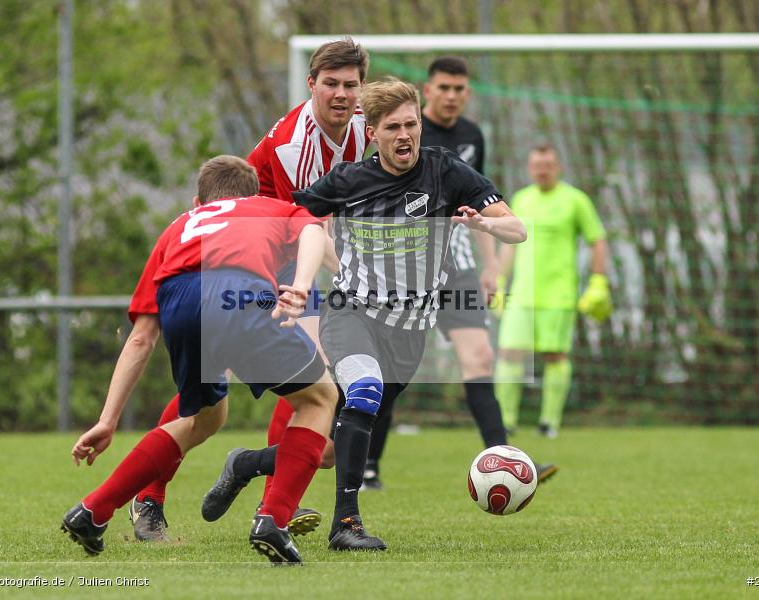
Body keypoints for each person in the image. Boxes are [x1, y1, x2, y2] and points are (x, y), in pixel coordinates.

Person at [126, 37, 371, 543]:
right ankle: (150, 497)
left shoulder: (361, 126)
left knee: (314, 376)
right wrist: (348, 274)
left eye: (351, 85)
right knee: (211, 394)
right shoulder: (293, 147)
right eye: (331, 84)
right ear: (311, 86)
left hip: (279, 254)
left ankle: (269, 498)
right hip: (240, 261)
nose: (342, 94)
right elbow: (310, 226)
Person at [60, 155, 337, 564]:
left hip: (181, 299)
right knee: (319, 399)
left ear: (198, 201)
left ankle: (92, 510)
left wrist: (108, 419)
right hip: (237, 291)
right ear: (252, 195)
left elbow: (140, 338)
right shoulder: (265, 206)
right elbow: (313, 230)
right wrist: (301, 285)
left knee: (206, 416)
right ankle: (273, 520)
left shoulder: (177, 229)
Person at [293, 79, 527, 550]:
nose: (406, 135)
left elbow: (517, 229)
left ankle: (247, 464)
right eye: (394, 127)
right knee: (363, 391)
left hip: (409, 330)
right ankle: (347, 525)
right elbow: (295, 219)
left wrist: (485, 223)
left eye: (412, 124)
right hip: (351, 313)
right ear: (373, 131)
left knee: (331, 450)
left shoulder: (446, 171)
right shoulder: (348, 180)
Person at [361, 56, 557, 490]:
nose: (451, 96)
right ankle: (368, 464)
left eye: (459, 89)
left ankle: (506, 458)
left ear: (467, 93)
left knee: (480, 358)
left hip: (459, 264)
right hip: (406, 270)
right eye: (443, 88)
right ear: (427, 90)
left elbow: (479, 200)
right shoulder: (404, 128)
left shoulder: (472, 136)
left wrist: (490, 266)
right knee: (389, 370)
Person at [495, 144, 611, 438]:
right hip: (522, 294)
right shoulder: (521, 198)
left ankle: (549, 423)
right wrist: (497, 281)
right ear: (529, 168)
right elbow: (509, 244)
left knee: (555, 356)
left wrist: (598, 282)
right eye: (537, 165)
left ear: (558, 167)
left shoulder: (576, 200)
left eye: (548, 164)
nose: (542, 170)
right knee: (509, 353)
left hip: (559, 294)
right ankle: (505, 421)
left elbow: (597, 240)